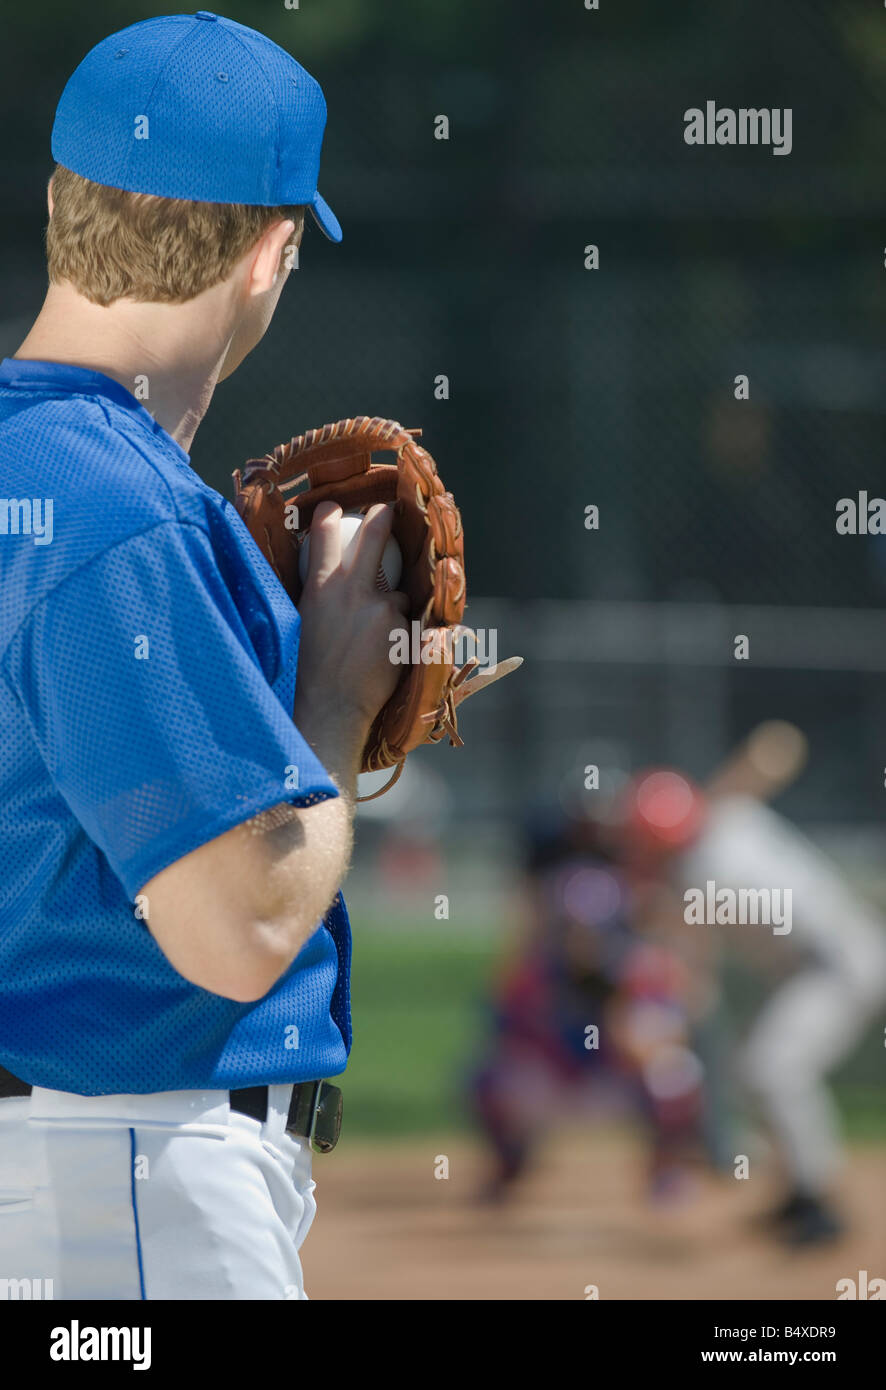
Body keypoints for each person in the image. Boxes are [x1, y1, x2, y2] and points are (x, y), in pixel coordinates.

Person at [0, 13, 406, 1300]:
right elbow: (235, 930)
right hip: (119, 1175)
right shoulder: (116, 515)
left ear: (68, 202)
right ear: (271, 248)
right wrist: (332, 705)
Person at [620, 763, 886, 1246]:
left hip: (836, 966)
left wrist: (660, 897)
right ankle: (796, 1190)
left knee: (773, 1070)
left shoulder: (709, 872)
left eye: (644, 840)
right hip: (815, 964)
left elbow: (685, 931)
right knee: (757, 1070)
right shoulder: (733, 816)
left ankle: (818, 1201)